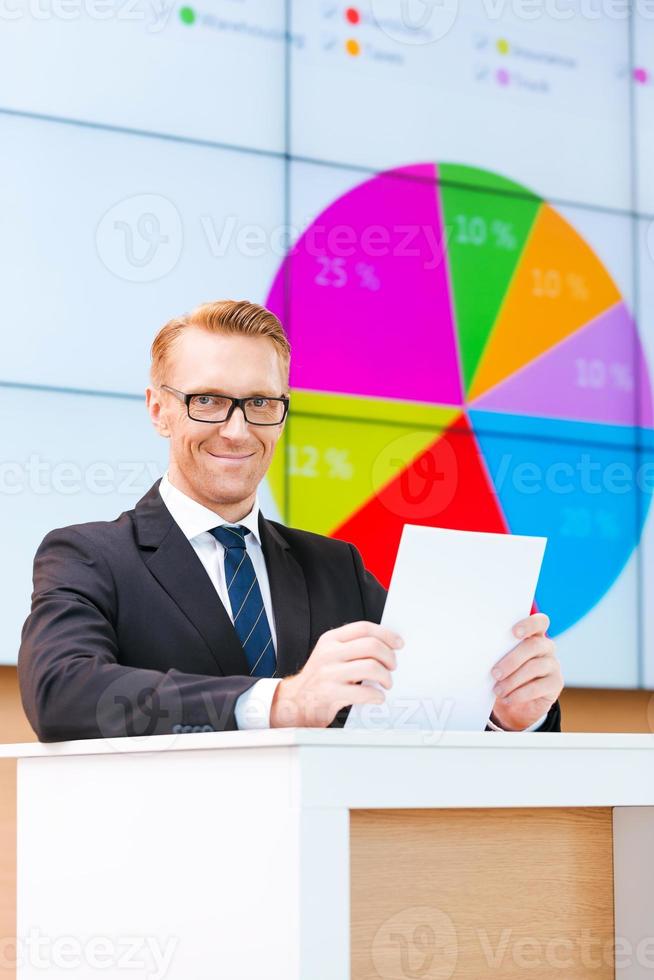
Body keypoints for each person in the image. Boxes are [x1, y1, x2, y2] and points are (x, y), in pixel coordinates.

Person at [18, 300, 563, 741]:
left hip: (327, 861)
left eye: (259, 403)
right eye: (207, 400)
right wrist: (283, 702)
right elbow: (60, 692)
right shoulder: (90, 557)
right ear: (159, 409)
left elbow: (418, 713)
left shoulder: (334, 566)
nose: (236, 430)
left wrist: (508, 713)